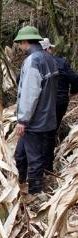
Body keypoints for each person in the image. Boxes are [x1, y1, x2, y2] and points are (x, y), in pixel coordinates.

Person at [13, 26, 59, 194]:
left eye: (19, 43)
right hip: (47, 118)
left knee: (34, 159)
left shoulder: (33, 60)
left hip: (34, 121)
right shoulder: (49, 58)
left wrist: (23, 120)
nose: (19, 47)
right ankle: (21, 185)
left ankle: (34, 193)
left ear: (25, 42)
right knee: (20, 155)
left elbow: (30, 93)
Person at [40, 37, 78, 172]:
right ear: (48, 49)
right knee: (51, 131)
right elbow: (75, 79)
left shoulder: (34, 62)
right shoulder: (61, 62)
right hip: (60, 102)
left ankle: (42, 165)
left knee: (43, 132)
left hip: (42, 103)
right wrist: (72, 92)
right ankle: (47, 167)